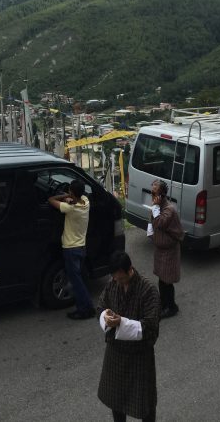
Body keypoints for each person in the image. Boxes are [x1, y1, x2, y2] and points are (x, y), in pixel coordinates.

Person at [98, 251, 160, 422]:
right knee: (116, 401)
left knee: (144, 403)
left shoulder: (148, 290)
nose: (118, 282)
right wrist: (106, 316)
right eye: (115, 278)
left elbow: (150, 327)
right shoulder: (113, 284)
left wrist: (121, 323)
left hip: (139, 356)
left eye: (121, 279)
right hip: (116, 354)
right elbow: (101, 306)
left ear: (130, 269)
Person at [48, 182, 98, 320]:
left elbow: (51, 200)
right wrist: (70, 197)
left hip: (70, 249)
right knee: (80, 279)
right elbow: (76, 199)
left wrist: (64, 196)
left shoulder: (69, 208)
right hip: (81, 247)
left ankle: (85, 309)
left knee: (76, 282)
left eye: (70, 191)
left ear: (72, 193)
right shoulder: (85, 202)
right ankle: (87, 307)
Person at [147, 180, 183, 318]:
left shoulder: (169, 209)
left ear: (161, 194)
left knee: (167, 281)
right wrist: (150, 231)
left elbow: (160, 223)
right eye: (152, 191)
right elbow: (153, 221)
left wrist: (155, 208)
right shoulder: (158, 207)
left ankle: (171, 306)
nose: (152, 195)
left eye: (154, 192)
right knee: (162, 279)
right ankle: (164, 304)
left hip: (169, 251)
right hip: (160, 249)